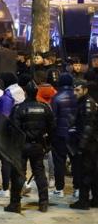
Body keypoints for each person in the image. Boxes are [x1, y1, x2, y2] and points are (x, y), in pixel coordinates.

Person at [4, 81, 55, 213]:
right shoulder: (45, 108)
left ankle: (15, 204)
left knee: (18, 174)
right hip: (38, 145)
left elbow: (13, 128)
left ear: (25, 93)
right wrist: (47, 144)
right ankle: (43, 203)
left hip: (22, 146)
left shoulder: (18, 108)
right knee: (40, 173)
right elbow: (52, 128)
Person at [69, 79, 98, 210]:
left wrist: (82, 145)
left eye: (77, 90)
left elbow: (88, 126)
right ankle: (94, 200)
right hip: (89, 143)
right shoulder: (84, 102)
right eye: (74, 90)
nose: (75, 92)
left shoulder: (87, 103)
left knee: (85, 172)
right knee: (91, 172)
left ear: (85, 90)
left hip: (88, 145)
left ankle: (84, 201)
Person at [50, 73, 76, 198]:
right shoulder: (77, 97)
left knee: (59, 162)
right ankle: (77, 188)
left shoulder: (56, 97)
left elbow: (53, 119)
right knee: (76, 161)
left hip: (60, 135)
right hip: (74, 135)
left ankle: (59, 189)